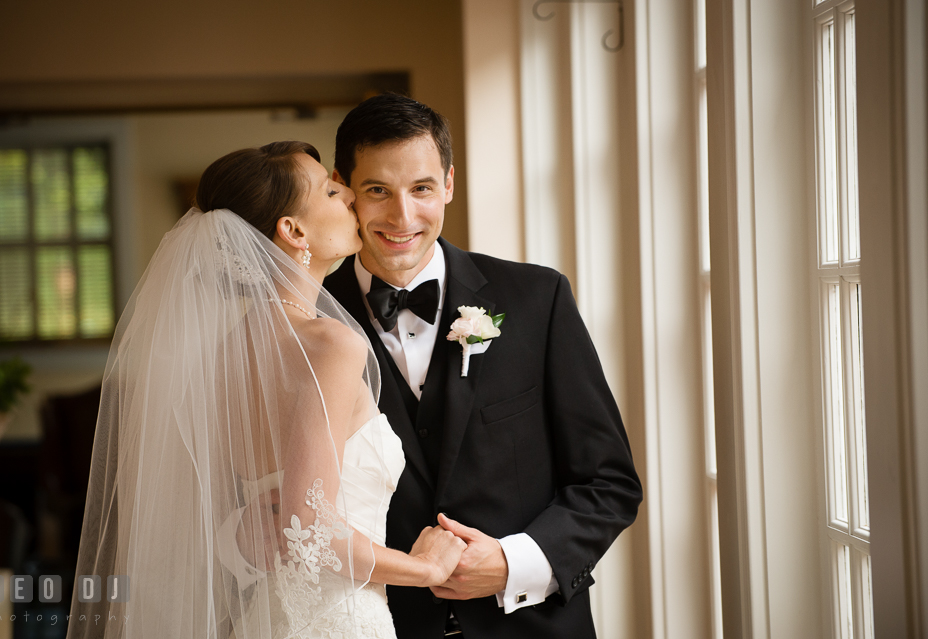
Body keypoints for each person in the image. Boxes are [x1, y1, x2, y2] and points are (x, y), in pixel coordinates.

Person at [67, 141, 467, 639]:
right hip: (338, 622)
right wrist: (425, 570)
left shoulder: (222, 357)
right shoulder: (330, 344)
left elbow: (232, 518)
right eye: (329, 189)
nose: (347, 195)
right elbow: (309, 527)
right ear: (293, 230)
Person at [324, 93, 643, 639]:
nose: (403, 216)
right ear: (343, 188)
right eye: (378, 190)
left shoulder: (537, 299)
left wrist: (514, 564)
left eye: (422, 188)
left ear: (449, 183)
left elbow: (609, 481)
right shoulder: (303, 322)